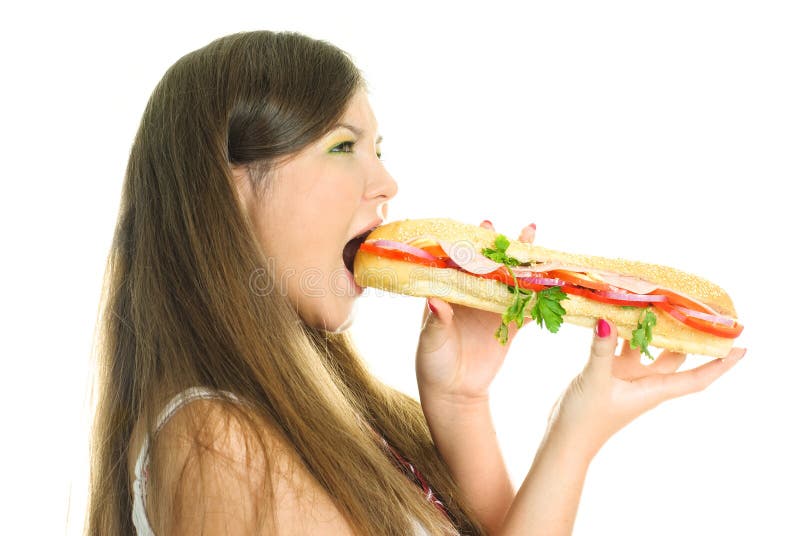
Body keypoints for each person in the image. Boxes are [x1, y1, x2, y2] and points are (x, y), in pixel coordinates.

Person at [85, 30, 745, 535]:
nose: (386, 185)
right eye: (344, 146)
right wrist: (575, 437)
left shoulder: (342, 418)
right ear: (229, 186)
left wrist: (461, 405)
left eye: (379, 150)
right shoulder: (215, 441)